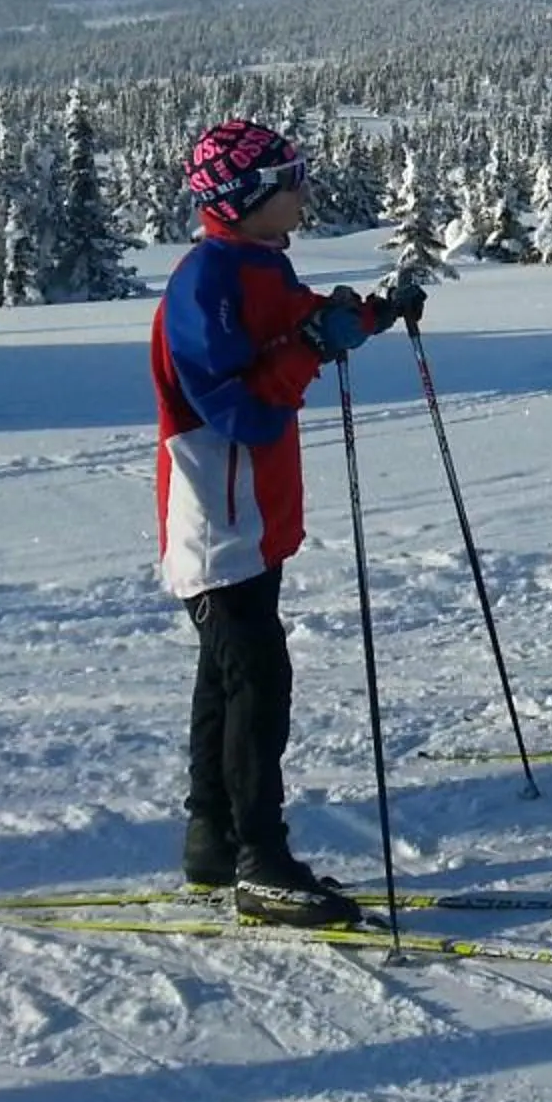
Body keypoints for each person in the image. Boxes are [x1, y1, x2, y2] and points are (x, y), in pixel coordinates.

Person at [153, 119, 423, 927]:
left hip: (252, 513)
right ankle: (261, 860)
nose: (304, 188)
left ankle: (214, 837)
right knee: (258, 681)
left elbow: (302, 322)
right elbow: (240, 410)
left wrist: (368, 316)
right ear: (244, 199)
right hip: (217, 514)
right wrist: (312, 342)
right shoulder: (205, 281)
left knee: (228, 675)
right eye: (289, 178)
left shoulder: (258, 263)